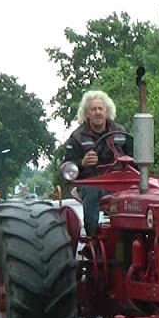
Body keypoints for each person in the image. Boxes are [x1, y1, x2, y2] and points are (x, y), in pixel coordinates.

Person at [62, 89, 133, 236]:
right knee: (92, 193)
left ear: (106, 111)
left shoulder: (121, 132)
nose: (97, 112)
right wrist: (82, 163)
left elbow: (134, 159)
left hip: (120, 181)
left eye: (100, 109)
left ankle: (134, 235)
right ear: (87, 113)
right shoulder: (77, 137)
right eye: (93, 109)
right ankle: (92, 237)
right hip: (91, 182)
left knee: (141, 193)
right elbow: (68, 166)